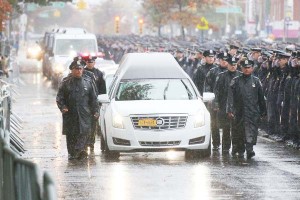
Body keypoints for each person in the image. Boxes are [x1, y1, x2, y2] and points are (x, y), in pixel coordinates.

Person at [56, 60, 99, 159]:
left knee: (84, 132)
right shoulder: (66, 83)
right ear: (72, 70)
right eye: (76, 69)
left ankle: (81, 150)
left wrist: (96, 111)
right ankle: (72, 152)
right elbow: (60, 97)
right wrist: (63, 107)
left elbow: (93, 99)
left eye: (80, 69)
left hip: (85, 114)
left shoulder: (88, 82)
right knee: (72, 134)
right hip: (71, 114)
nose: (78, 71)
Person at [227, 59, 267, 159]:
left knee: (251, 130)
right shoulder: (235, 80)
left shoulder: (256, 81)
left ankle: (250, 149)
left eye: (249, 68)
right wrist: (230, 110)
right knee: (239, 130)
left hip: (252, 111)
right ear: (241, 68)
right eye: (245, 68)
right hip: (239, 111)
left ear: (252, 68)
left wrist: (263, 112)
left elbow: (261, 98)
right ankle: (240, 149)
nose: (247, 70)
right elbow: (230, 97)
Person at [214, 57, 241, 153]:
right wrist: (216, 103)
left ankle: (235, 146)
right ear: (228, 65)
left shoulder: (240, 75)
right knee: (226, 127)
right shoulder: (221, 76)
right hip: (223, 104)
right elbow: (216, 91)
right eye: (231, 65)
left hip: (237, 106)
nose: (233, 67)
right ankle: (226, 147)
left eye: (235, 65)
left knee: (236, 128)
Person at [83, 55, 106, 151]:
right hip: (84, 102)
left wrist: (100, 101)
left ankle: (91, 142)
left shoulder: (99, 74)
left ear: (94, 63)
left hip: (94, 102)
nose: (90, 64)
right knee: (84, 123)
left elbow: (102, 89)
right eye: (88, 62)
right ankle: (83, 141)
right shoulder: (82, 72)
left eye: (91, 62)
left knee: (93, 124)